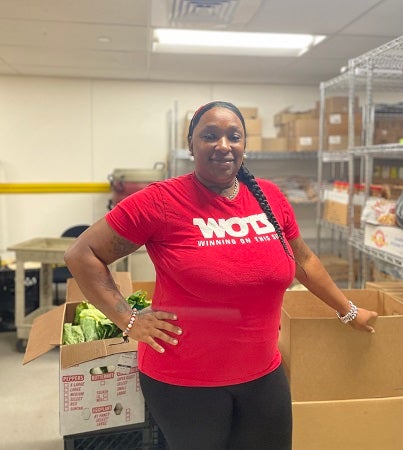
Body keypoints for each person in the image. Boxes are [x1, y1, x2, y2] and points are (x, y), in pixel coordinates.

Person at [64, 100, 378, 450]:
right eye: (209, 136)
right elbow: (82, 254)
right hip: (185, 380)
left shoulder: (270, 198)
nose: (223, 145)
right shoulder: (161, 201)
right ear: (192, 145)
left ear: (244, 145)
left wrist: (348, 310)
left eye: (234, 136)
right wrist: (128, 319)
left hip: (263, 372)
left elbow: (304, 261)